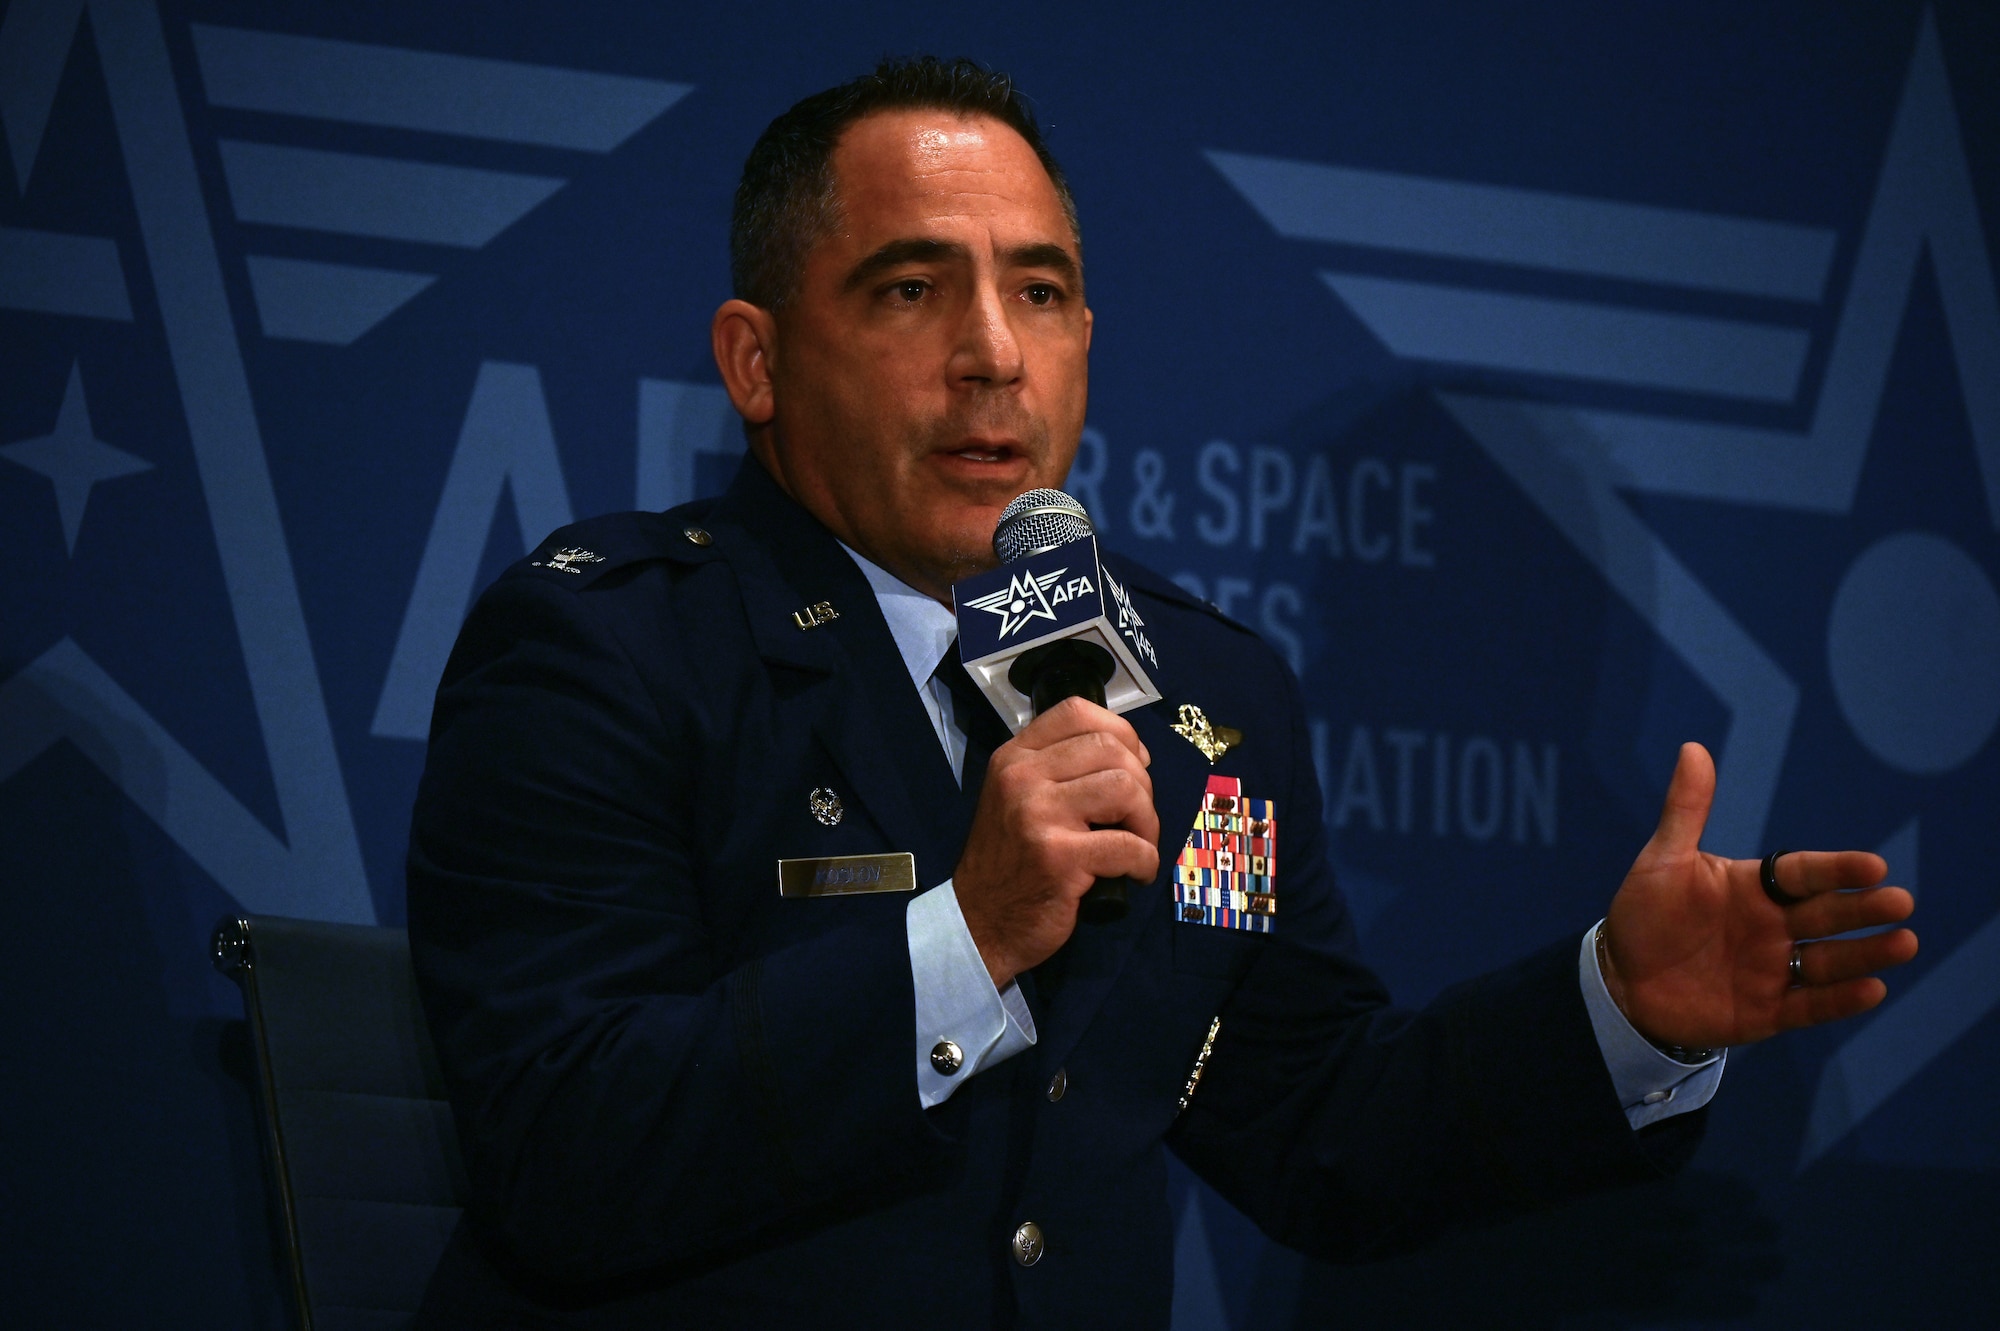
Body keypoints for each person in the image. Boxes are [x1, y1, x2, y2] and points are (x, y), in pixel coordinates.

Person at [405, 57, 1917, 1329]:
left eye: (1042, 292)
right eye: (912, 287)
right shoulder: (606, 649)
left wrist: (1618, 1016)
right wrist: (969, 938)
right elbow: (560, 1154)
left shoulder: (1201, 702)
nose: (993, 355)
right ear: (758, 361)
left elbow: (1320, 1126)